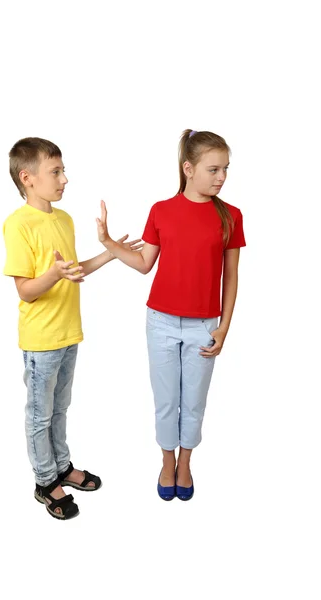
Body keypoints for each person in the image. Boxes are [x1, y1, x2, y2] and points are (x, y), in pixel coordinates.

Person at [96, 129, 246, 501]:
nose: (221, 177)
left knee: (194, 400)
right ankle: (166, 460)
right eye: (213, 169)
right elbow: (145, 263)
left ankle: (185, 461)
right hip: (160, 322)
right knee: (166, 400)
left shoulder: (231, 216)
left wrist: (224, 328)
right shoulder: (161, 211)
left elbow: (231, 276)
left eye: (226, 169)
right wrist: (110, 245)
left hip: (204, 326)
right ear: (188, 168)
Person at [3, 137, 142, 519]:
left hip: (69, 334)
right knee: (39, 414)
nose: (64, 179)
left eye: (63, 171)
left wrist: (111, 251)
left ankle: (62, 466)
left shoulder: (63, 219)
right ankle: (46, 481)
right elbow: (26, 291)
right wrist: (52, 274)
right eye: (56, 172)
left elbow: (73, 271)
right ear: (27, 177)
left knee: (60, 408)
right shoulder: (17, 224)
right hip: (41, 340)